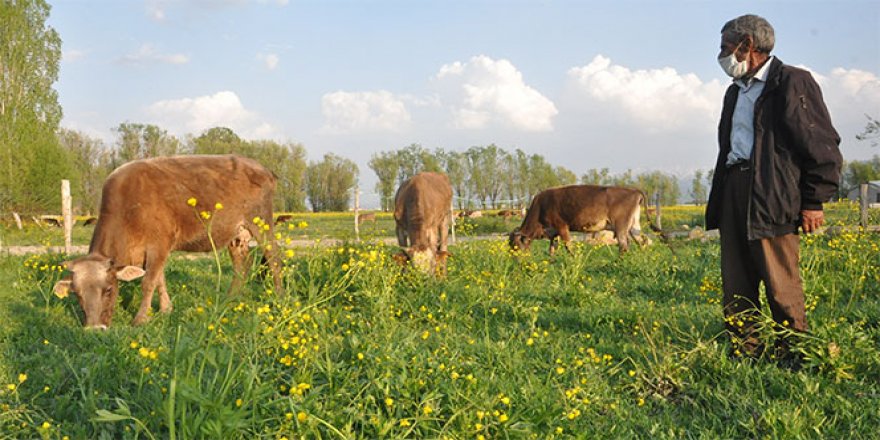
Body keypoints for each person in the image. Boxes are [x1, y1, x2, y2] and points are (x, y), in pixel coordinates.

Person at [705, 14, 843, 364]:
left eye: (725, 48)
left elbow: (819, 142)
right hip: (734, 186)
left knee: (779, 276)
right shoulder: (734, 92)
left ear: (746, 46)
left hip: (773, 191)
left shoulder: (791, 82)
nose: (721, 56)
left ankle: (794, 354)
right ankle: (746, 351)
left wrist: (814, 200)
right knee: (736, 277)